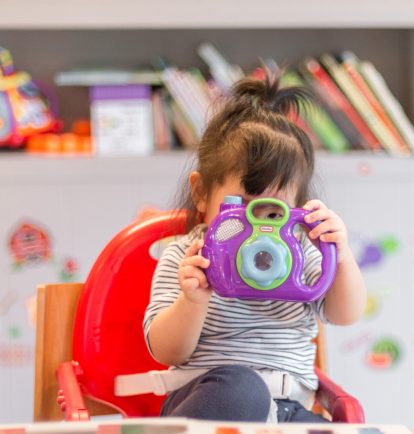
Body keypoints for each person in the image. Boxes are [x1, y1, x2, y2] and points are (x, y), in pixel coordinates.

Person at [142, 72, 367, 423]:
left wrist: (340, 253)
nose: (257, 228)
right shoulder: (188, 256)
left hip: (289, 409)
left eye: (273, 212)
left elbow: (345, 314)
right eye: (242, 207)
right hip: (212, 403)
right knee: (242, 389)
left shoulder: (300, 253)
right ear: (202, 193)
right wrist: (192, 301)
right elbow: (165, 350)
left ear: (297, 208)